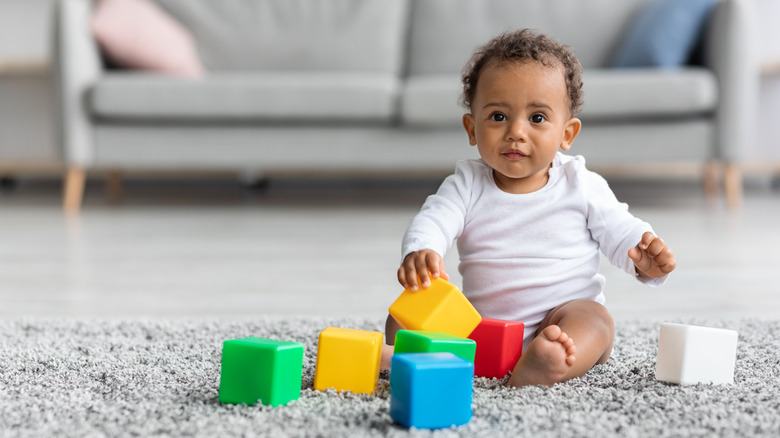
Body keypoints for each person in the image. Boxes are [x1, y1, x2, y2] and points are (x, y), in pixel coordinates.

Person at [382, 29, 677, 387]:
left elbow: (620, 229)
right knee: (405, 313)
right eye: (497, 117)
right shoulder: (467, 183)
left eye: (537, 118)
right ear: (471, 128)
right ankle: (408, 357)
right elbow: (434, 219)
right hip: (479, 329)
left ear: (567, 134)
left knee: (596, 320)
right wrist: (421, 250)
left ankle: (546, 364)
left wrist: (644, 259)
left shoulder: (579, 183)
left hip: (558, 319)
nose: (516, 132)